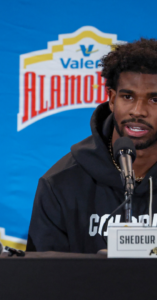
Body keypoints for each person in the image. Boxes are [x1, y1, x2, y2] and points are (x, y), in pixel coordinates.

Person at [27, 38, 157, 253]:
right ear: (112, 99)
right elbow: (44, 278)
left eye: (155, 100)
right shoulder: (61, 183)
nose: (138, 111)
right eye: (127, 96)